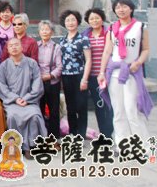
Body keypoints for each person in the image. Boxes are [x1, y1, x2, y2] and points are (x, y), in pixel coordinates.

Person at [98, 0, 152, 148]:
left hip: (131, 72)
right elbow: (107, 51)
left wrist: (139, 62)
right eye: (118, 7)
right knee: (118, 111)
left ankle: (142, 146)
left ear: (131, 9)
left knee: (131, 110)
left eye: (124, 7)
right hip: (113, 73)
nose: (121, 9)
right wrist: (102, 72)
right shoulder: (111, 29)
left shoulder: (140, 27)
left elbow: (146, 49)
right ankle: (123, 145)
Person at [0, 38, 46, 159]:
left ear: (22, 47)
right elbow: (2, 86)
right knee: (12, 116)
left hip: (30, 101)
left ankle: (31, 146)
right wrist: (15, 99)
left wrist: (27, 98)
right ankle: (15, 146)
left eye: (16, 45)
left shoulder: (32, 63)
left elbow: (37, 83)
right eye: (11, 46)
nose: (14, 47)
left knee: (34, 116)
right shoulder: (3, 66)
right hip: (12, 102)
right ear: (8, 49)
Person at [59, 10, 92, 138]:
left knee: (81, 106)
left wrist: (85, 79)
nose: (70, 23)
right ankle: (73, 132)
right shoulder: (62, 40)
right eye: (67, 20)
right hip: (66, 76)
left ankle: (81, 134)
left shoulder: (83, 39)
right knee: (70, 106)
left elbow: (88, 59)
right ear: (64, 23)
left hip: (79, 75)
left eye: (73, 20)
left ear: (77, 21)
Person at [82, 8, 114, 139]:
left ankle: (109, 132)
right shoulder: (85, 35)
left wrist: (104, 72)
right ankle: (104, 135)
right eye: (91, 19)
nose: (94, 20)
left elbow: (109, 53)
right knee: (99, 105)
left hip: (107, 75)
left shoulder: (108, 33)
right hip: (93, 76)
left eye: (97, 18)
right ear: (88, 21)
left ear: (102, 18)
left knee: (110, 105)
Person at [37, 20, 62, 149]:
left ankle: (54, 139)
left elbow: (59, 66)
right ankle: (41, 137)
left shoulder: (56, 47)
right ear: (39, 32)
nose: (45, 32)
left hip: (52, 82)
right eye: (42, 30)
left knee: (53, 111)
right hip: (39, 83)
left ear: (52, 32)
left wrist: (50, 75)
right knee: (39, 110)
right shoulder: (36, 46)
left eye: (47, 30)